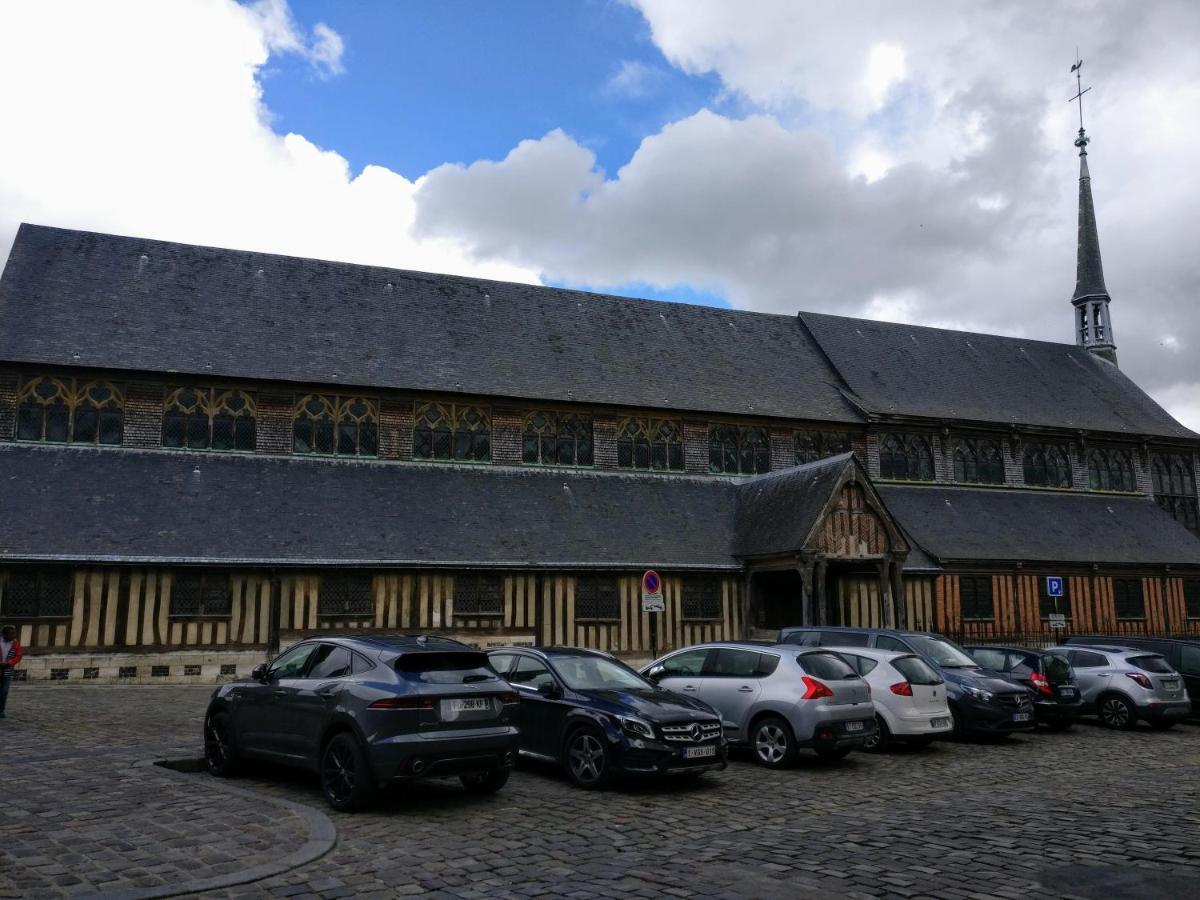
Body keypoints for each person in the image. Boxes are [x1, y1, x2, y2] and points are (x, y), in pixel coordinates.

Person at [0, 625, 23, 718]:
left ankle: (1, 710)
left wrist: (9, 663)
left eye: (14, 633)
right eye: (11, 634)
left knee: (4, 691)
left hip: (7, 670)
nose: (14, 636)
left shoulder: (15, 644)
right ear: (4, 634)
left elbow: (18, 656)